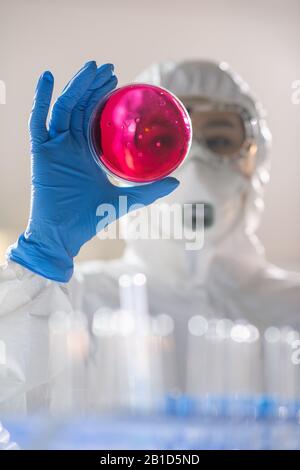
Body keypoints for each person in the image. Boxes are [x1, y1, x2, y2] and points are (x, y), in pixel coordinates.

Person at [0, 60, 299, 414]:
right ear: (123, 157)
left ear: (255, 159)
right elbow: (12, 411)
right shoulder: (72, 301)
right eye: (162, 140)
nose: (196, 162)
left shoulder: (292, 307)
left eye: (219, 140)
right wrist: (40, 262)